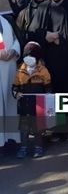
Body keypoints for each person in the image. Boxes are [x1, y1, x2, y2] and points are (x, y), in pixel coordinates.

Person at [13, 42, 51, 159]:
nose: (29, 59)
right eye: (27, 56)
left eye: (32, 56)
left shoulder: (43, 71)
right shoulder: (19, 71)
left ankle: (38, 147)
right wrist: (16, 93)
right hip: (24, 103)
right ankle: (23, 147)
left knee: (37, 126)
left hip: (38, 103)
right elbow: (15, 87)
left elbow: (48, 86)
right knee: (24, 127)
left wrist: (48, 96)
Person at [0, 14, 22, 146]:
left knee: (10, 102)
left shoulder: (6, 20)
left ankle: (12, 138)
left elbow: (16, 39)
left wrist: (14, 50)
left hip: (9, 66)